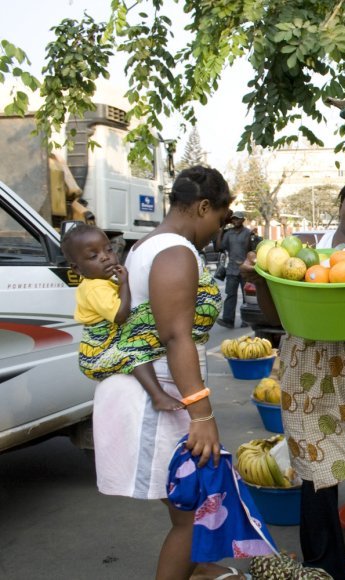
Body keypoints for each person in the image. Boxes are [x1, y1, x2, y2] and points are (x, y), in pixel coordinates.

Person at [242, 175, 345, 580]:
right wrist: (260, 281)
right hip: (305, 371)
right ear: (341, 203)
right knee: (314, 472)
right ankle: (323, 568)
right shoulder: (303, 252)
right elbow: (279, 320)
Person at [91, 166, 242, 579]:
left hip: (155, 391)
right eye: (219, 219)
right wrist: (202, 414)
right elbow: (176, 336)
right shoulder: (176, 251)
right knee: (191, 516)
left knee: (192, 509)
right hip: (159, 399)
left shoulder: (146, 246)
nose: (218, 230)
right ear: (203, 206)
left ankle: (202, 571)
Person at [61, 224, 184, 412]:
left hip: (108, 339)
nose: (104, 256)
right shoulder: (94, 287)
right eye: (94, 256)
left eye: (108, 249)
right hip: (97, 351)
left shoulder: (100, 281)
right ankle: (157, 396)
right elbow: (120, 315)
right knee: (133, 354)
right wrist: (124, 283)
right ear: (77, 269)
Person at [216, 210, 252, 329]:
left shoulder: (248, 233)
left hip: (245, 269)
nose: (236, 221)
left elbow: (251, 250)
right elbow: (219, 247)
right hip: (232, 269)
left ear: (243, 220)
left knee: (246, 297)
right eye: (234, 219)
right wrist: (222, 229)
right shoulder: (229, 233)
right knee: (230, 295)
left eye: (238, 218)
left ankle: (246, 320)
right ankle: (228, 320)